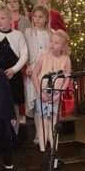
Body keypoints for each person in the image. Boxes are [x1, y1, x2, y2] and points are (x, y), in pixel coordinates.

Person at [32, 30, 72, 161]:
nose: (52, 45)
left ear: (63, 46)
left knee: (54, 122)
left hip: (56, 95)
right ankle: (43, 150)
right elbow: (34, 75)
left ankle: (54, 150)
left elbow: (67, 78)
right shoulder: (43, 56)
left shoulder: (66, 59)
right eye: (51, 42)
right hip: (43, 94)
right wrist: (40, 93)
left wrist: (59, 93)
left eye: (56, 43)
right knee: (43, 122)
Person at [0, 7, 29, 127]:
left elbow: (24, 55)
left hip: (13, 75)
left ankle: (14, 132)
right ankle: (1, 131)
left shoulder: (18, 35)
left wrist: (14, 70)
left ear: (10, 20)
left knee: (14, 103)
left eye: (3, 18)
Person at [24, 5, 52, 119]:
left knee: (47, 100)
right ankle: (38, 128)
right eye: (35, 16)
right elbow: (25, 51)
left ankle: (48, 127)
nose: (37, 19)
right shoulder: (28, 32)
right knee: (36, 101)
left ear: (46, 19)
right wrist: (27, 66)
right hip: (33, 69)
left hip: (47, 69)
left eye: (40, 17)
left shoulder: (50, 33)